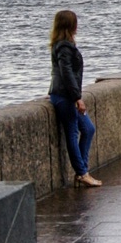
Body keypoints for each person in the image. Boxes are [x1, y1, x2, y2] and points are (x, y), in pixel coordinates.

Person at [48, 10, 101, 188]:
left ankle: (82, 170)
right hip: (64, 97)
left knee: (88, 128)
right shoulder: (64, 46)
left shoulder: (62, 44)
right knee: (72, 133)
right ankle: (82, 173)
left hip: (64, 95)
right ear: (71, 25)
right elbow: (67, 73)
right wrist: (77, 98)